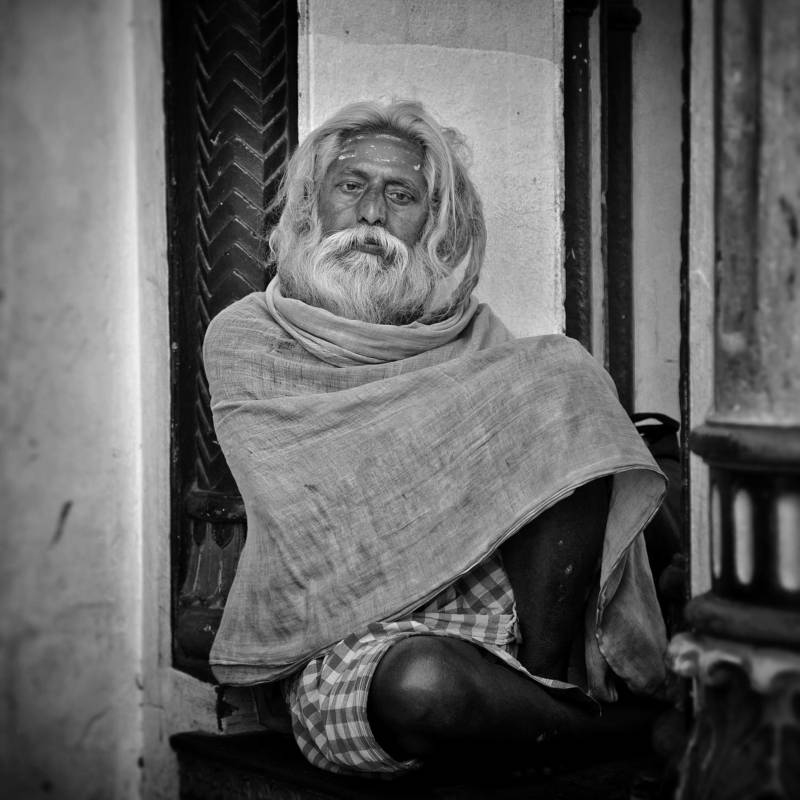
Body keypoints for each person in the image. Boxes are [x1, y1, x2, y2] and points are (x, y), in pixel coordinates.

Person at [203, 100, 668, 777]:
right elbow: (307, 514)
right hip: (341, 639)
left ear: (435, 221)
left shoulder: (477, 338)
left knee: (563, 375)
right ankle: (584, 731)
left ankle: (540, 692)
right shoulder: (251, 338)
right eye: (351, 185)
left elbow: (540, 489)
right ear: (311, 205)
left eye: (402, 195)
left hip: (499, 624)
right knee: (422, 688)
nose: (371, 214)